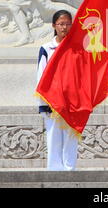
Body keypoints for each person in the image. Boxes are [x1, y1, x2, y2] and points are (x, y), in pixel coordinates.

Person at [36, 10, 78, 171]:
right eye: (61, 24)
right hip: (52, 102)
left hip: (72, 102)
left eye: (68, 24)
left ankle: (69, 168)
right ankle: (54, 170)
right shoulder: (46, 49)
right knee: (54, 137)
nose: (64, 27)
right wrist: (42, 104)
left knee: (70, 138)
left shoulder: (76, 48)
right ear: (54, 25)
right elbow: (41, 78)